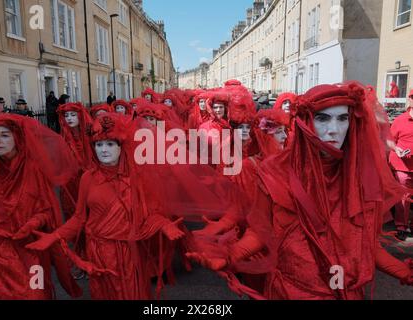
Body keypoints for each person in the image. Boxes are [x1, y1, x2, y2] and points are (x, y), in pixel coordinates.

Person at [188, 82, 413, 300]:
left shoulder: (360, 177)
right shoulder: (276, 173)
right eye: (323, 118)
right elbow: (260, 230)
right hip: (291, 291)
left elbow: (365, 244)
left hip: (343, 291)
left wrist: (403, 272)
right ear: (306, 122)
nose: (333, 129)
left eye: (342, 118)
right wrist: (231, 255)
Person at [26, 113, 185, 300]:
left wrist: (164, 225)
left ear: (121, 146)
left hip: (127, 254)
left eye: (110, 144)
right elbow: (79, 219)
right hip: (98, 253)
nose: (103, 150)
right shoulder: (88, 178)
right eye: (98, 145)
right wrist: (54, 236)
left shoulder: (136, 178)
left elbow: (147, 214)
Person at [0, 114, 82, 299]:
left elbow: (46, 210)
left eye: (5, 135)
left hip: (27, 247)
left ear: (17, 137)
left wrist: (32, 224)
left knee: (32, 292)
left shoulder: (33, 168)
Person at [389, 89, 413, 241]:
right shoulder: (400, 120)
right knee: (403, 197)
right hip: (402, 166)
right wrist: (397, 149)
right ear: (410, 99)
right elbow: (389, 140)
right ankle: (402, 227)